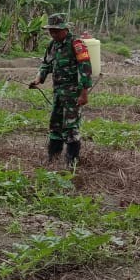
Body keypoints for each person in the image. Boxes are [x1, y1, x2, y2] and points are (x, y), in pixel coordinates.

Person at [29, 13, 93, 166]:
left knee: (71, 126)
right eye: (51, 31)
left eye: (56, 31)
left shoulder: (76, 44)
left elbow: (85, 69)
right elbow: (46, 64)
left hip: (73, 94)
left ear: (65, 29)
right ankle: (53, 156)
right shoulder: (53, 45)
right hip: (58, 93)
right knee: (55, 124)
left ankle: (72, 161)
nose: (53, 34)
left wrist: (84, 93)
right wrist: (38, 79)